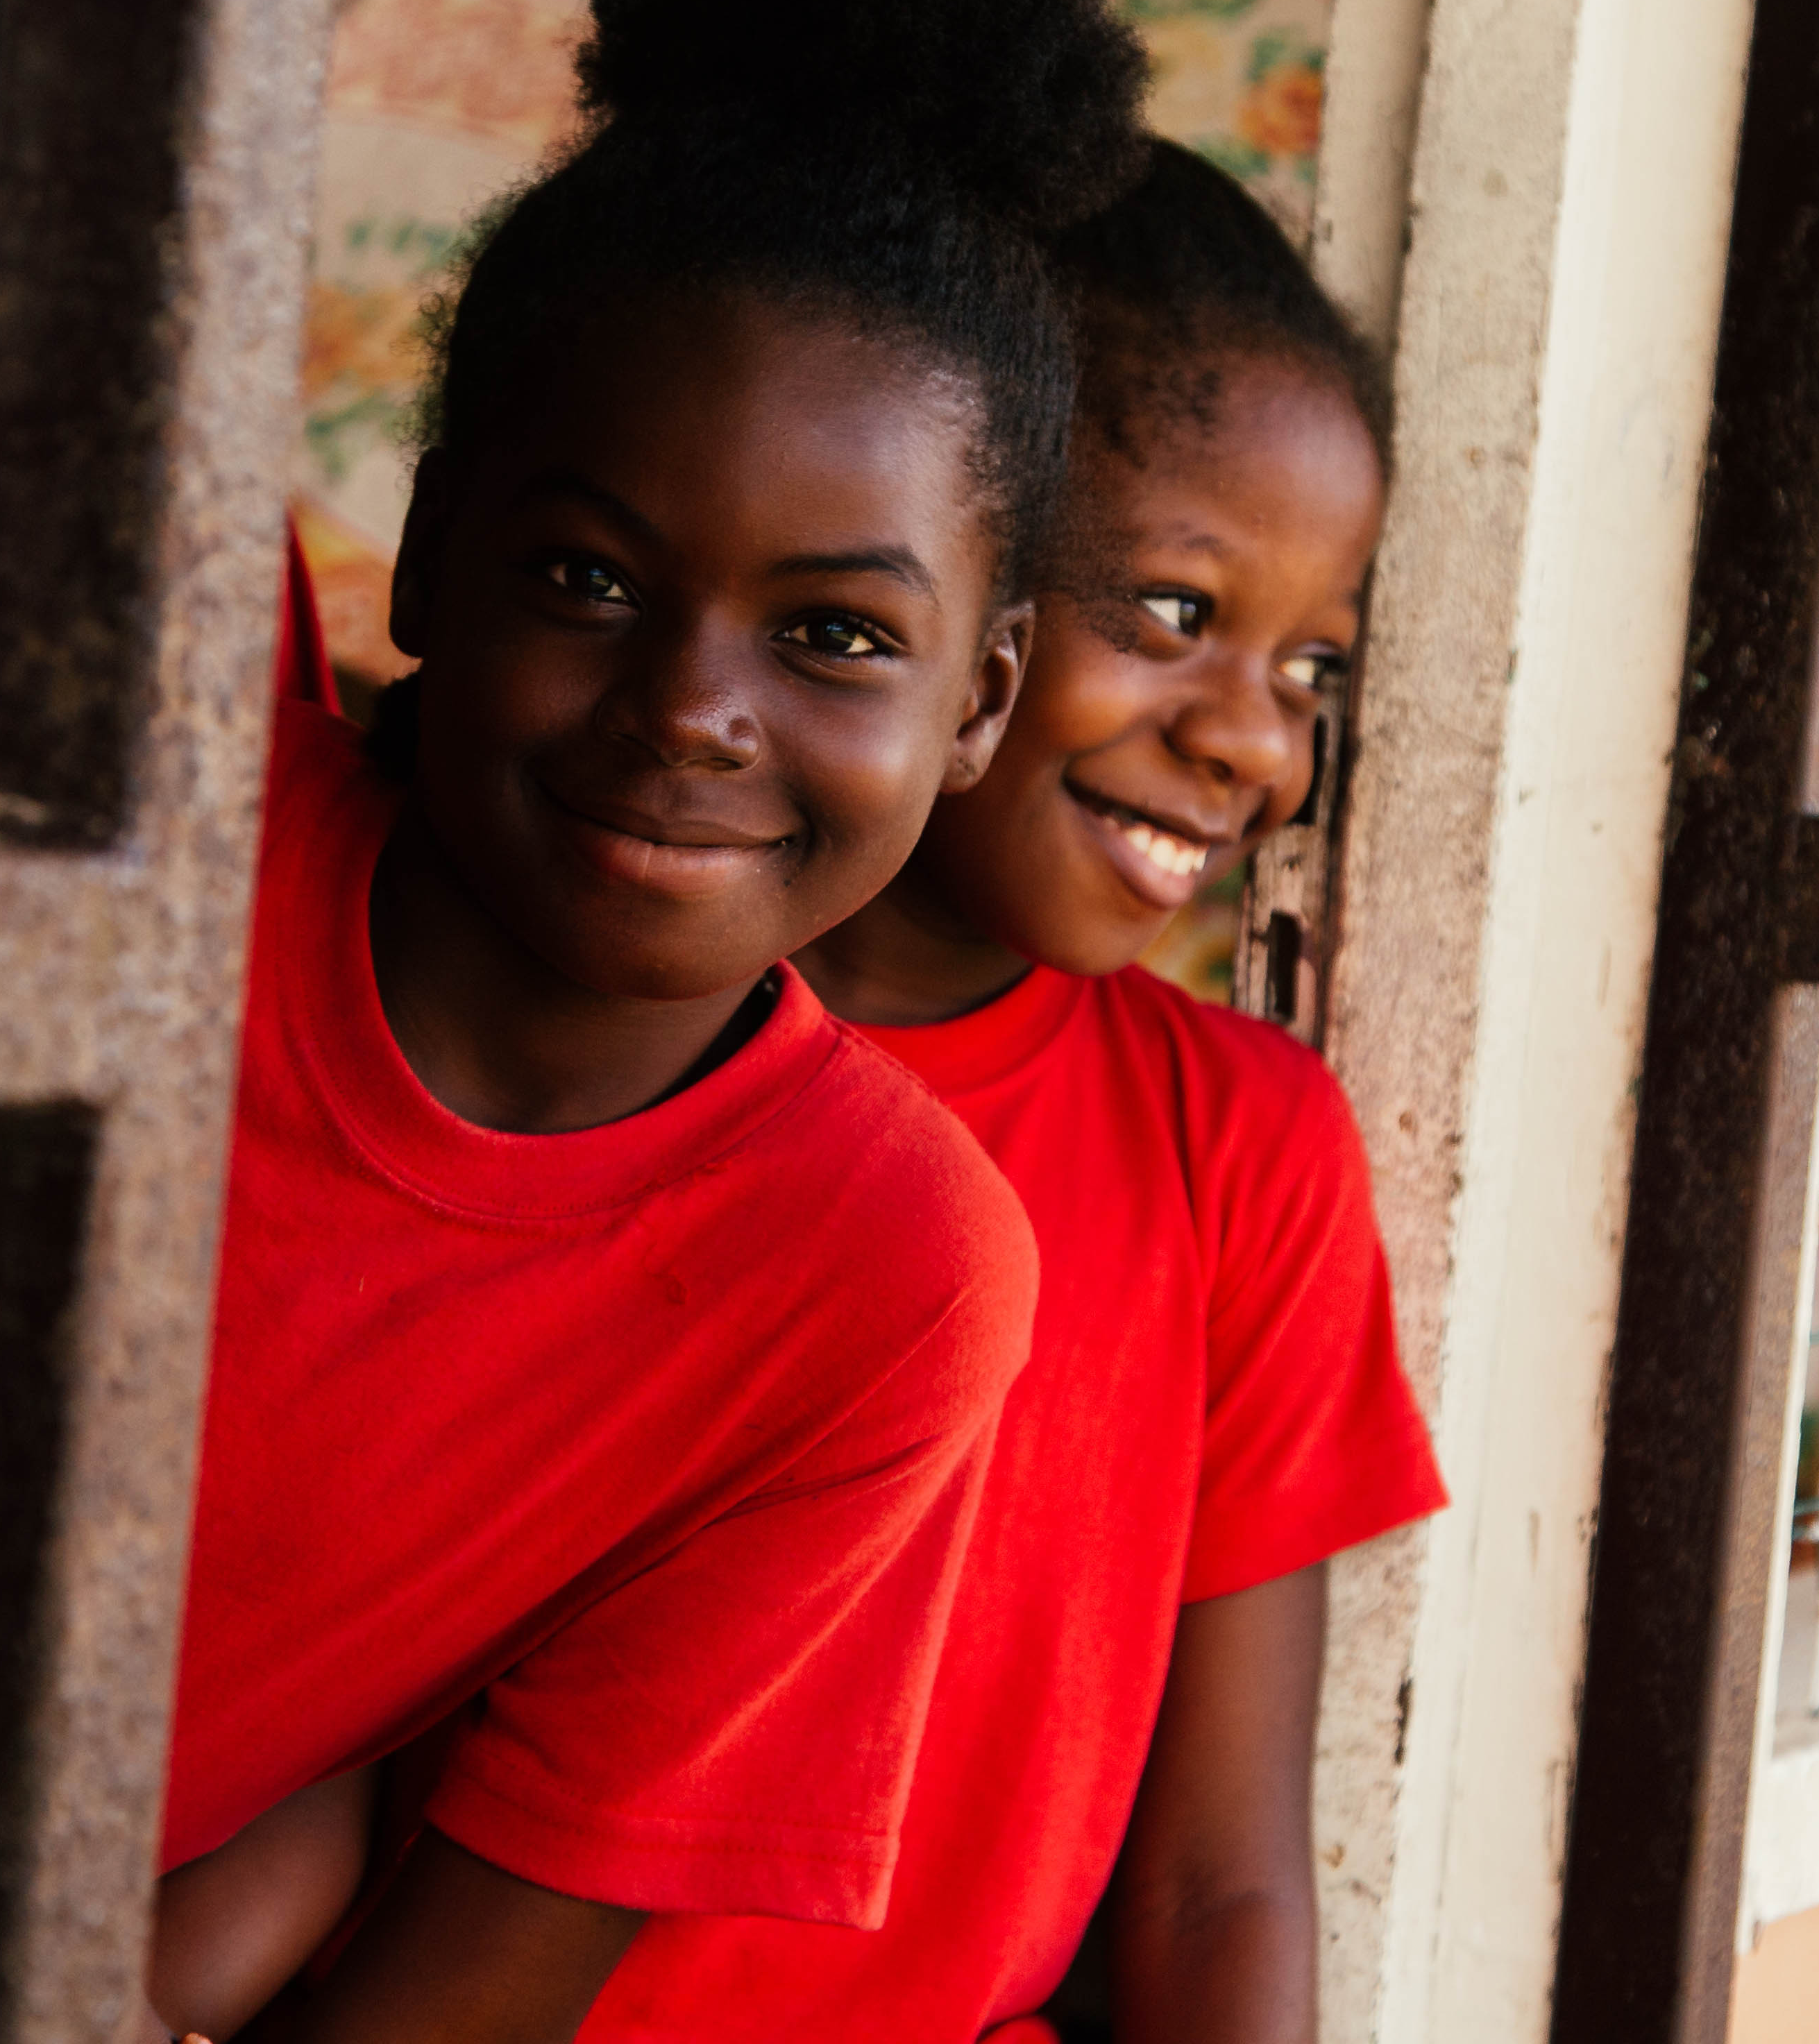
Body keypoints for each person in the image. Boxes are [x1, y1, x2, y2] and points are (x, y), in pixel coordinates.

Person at [136, 0, 1153, 2044]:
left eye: (838, 638)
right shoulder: (162, 819)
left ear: (982, 702)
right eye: (590, 579)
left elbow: (455, 1990)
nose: (694, 710)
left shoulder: (881, 1284)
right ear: (421, 555)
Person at [561, 142, 1445, 2042]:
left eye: (1312, 666)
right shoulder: (569, 1039)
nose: (1252, 742)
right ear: (960, 604)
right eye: (1174, 612)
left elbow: (1224, 1887)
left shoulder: (1245, 1156)